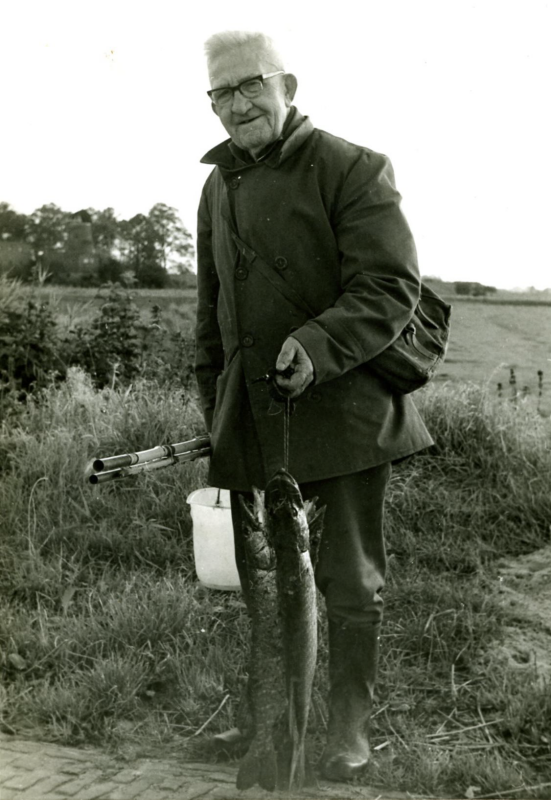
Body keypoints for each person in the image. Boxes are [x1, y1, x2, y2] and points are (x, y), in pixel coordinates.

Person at [195, 30, 433, 782]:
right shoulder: (214, 184)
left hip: (347, 413)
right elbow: (212, 313)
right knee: (264, 585)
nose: (237, 106)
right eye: (220, 94)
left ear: (286, 85)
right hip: (252, 423)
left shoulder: (352, 168)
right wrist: (215, 407)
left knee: (349, 579)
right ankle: (274, 725)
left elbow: (389, 286)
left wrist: (314, 344)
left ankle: (348, 733)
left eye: (249, 87)